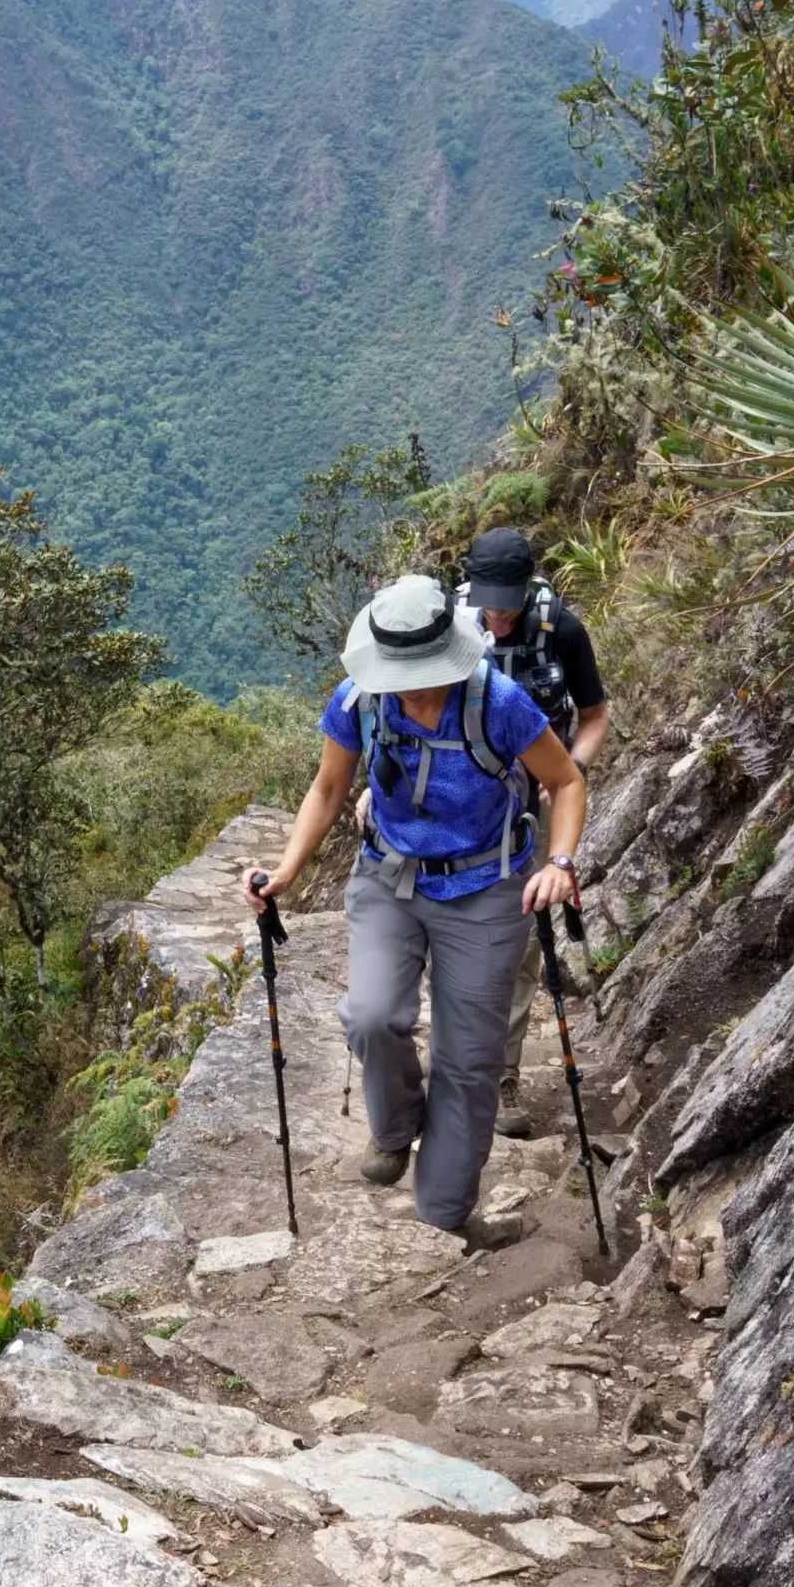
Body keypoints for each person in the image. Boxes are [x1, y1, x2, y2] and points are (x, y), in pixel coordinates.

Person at [244, 573, 587, 1246]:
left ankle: (442, 1214)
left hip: (487, 890)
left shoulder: (499, 703)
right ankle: (396, 1127)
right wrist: (285, 871)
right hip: (389, 877)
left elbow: (565, 779)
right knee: (372, 1016)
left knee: (470, 1059)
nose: (410, 684)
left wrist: (560, 864)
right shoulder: (360, 701)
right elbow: (328, 787)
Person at [438, 528, 613, 1133]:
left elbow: (593, 717)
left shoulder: (561, 629)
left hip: (536, 803)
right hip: (459, 800)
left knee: (518, 943)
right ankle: (454, 1067)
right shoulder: (448, 624)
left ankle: (501, 1078)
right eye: (490, 601)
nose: (499, 614)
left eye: (507, 601)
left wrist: (572, 767)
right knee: (449, 927)